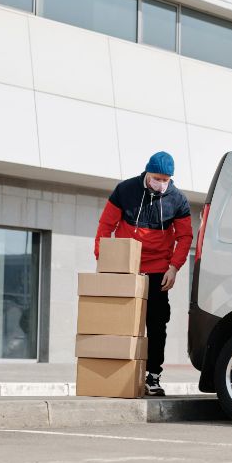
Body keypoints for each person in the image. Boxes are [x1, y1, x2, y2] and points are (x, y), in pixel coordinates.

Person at [94, 151, 193, 396]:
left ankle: (153, 377)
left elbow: (185, 237)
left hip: (159, 270)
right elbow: (106, 225)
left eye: (166, 180)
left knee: (157, 325)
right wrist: (103, 258)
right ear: (147, 173)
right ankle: (115, 373)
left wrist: (174, 267)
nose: (161, 183)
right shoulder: (125, 190)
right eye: (157, 178)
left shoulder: (178, 200)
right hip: (127, 267)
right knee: (121, 322)